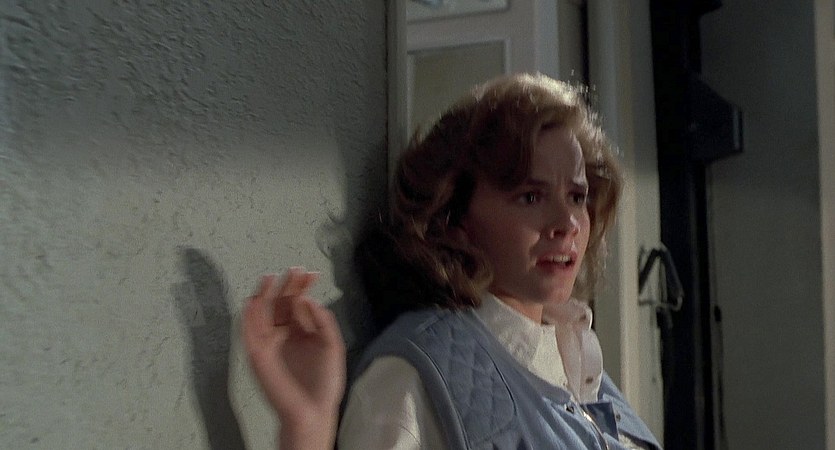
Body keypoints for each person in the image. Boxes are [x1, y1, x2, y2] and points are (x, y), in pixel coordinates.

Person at [243, 73, 662, 449]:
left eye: (576, 196)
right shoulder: (415, 373)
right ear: (454, 218)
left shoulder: (576, 357)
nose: (567, 223)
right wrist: (306, 429)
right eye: (531, 196)